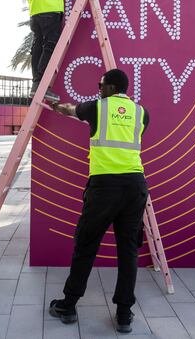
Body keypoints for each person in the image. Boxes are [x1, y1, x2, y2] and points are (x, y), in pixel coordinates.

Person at [48, 69, 148, 334]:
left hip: (105, 187)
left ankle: (68, 305)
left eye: (100, 85)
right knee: (128, 251)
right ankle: (124, 314)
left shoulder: (97, 108)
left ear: (111, 87)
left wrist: (55, 105)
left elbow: (70, 110)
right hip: (135, 186)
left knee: (86, 245)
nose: (98, 89)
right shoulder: (141, 113)